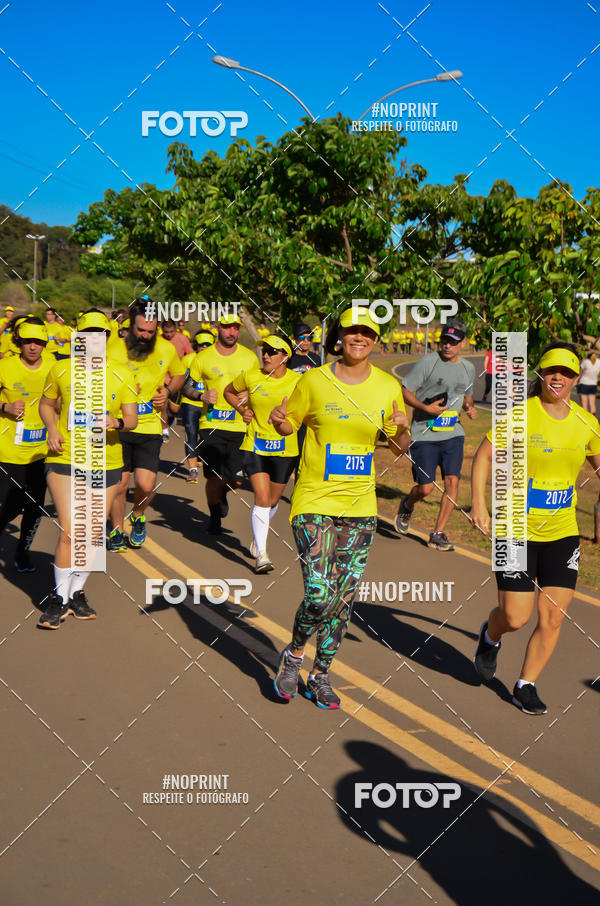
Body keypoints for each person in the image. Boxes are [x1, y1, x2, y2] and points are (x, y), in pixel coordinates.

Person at [269, 307, 409, 709]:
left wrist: (401, 431)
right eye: (352, 331)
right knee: (318, 595)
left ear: (375, 339)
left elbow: (398, 449)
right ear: (339, 336)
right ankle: (295, 654)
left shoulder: (386, 387)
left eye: (367, 331)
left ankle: (322, 674)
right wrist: (280, 420)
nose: (359, 337)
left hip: (360, 506)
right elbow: (286, 426)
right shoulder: (314, 380)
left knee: (343, 599)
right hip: (314, 499)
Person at [471, 343, 600, 714]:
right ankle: (490, 635)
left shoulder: (586, 422)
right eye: (551, 370)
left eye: (567, 372)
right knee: (515, 616)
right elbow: (483, 457)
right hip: (514, 526)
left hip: (562, 532)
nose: (558, 376)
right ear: (541, 375)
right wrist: (480, 504)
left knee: (553, 616)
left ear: (576, 378)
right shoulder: (519, 416)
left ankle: (525, 684)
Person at [37, 310, 138, 628]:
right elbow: (45, 404)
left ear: (107, 338)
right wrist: (52, 429)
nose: (93, 339)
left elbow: (132, 420)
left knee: (93, 534)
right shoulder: (61, 368)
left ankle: (77, 592)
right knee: (71, 528)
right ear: (77, 337)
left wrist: (115, 422)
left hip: (106, 460)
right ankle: (59, 599)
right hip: (65, 457)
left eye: (100, 334)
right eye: (87, 334)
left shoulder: (122, 373)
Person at [107, 299, 185, 550]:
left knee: (145, 484)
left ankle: (138, 515)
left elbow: (180, 374)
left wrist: (168, 391)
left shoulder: (166, 349)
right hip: (117, 426)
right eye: (140, 330)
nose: (145, 336)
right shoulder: (112, 348)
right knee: (119, 485)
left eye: (151, 332)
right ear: (130, 326)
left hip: (149, 425)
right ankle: (117, 531)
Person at [395, 317, 476, 551]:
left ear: (462, 343)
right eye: (444, 341)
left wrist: (469, 408)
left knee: (452, 481)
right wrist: (425, 408)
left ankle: (438, 533)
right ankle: (408, 503)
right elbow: (405, 390)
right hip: (424, 434)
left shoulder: (468, 368)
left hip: (453, 433)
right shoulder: (428, 363)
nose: (447, 346)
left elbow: (465, 395)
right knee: (426, 487)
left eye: (452, 342)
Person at [224, 333, 300, 572]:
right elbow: (229, 392)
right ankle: (262, 555)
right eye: (264, 351)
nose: (266, 355)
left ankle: (259, 538)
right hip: (254, 445)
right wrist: (241, 409)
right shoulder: (251, 376)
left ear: (285, 357)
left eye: (272, 351)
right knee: (262, 498)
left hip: (285, 449)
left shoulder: (298, 381)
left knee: (273, 500)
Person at [188, 313, 258, 534]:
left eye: (236, 328)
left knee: (236, 480)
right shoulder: (202, 358)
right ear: (217, 328)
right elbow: (187, 387)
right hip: (211, 425)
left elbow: (259, 386)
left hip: (240, 425)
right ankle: (214, 515)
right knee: (213, 476)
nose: (232, 332)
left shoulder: (249, 358)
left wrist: (250, 394)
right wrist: (201, 397)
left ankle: (223, 493)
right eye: (227, 328)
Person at [0, 320, 55, 572]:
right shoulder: (5, 366)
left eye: (39, 342)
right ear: (19, 342)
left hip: (42, 451)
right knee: (8, 506)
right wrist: (5, 407)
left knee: (35, 506)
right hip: (8, 450)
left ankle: (22, 552)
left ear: (45, 343)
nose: (33, 347)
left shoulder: (55, 366)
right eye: (28, 342)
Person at [168, 329, 215, 483]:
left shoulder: (217, 360)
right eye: (201, 344)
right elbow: (182, 383)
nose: (204, 347)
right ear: (196, 345)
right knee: (191, 433)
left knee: (207, 436)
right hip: (190, 403)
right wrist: (176, 400)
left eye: (208, 344)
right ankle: (192, 470)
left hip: (209, 405)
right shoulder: (188, 360)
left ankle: (200, 455)